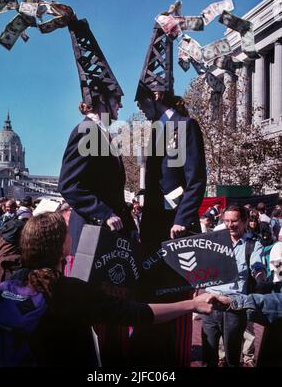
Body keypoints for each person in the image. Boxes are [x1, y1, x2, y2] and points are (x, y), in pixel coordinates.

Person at [0, 212, 219, 367]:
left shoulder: (2, 287)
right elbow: (137, 313)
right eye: (67, 231)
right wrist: (193, 304)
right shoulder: (69, 292)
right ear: (62, 246)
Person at [58, 18, 137, 365]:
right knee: (94, 314)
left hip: (111, 236)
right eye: (117, 101)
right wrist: (104, 213)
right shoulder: (86, 132)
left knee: (111, 314)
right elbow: (69, 185)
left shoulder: (106, 136)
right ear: (102, 101)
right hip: (93, 234)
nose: (120, 108)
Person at [130, 22, 207, 367]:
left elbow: (196, 180)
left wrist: (182, 219)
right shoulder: (156, 131)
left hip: (174, 233)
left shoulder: (185, 126)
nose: (142, 109)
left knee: (175, 306)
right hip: (152, 232)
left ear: (157, 96)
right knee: (150, 305)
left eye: (144, 101)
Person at [201, 204, 266, 367]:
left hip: (234, 307)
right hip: (210, 304)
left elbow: (258, 267)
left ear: (244, 221)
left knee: (232, 356)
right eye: (226, 221)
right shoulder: (215, 241)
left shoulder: (253, 245)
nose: (229, 225)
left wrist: (261, 277)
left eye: (234, 221)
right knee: (208, 356)